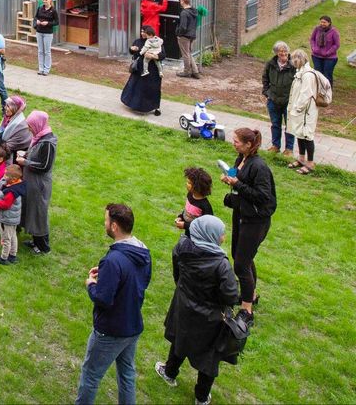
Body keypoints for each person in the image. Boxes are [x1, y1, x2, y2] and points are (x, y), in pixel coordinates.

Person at [154, 215, 242, 405]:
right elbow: (231, 296)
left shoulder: (181, 247)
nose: (223, 238)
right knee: (209, 357)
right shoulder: (222, 265)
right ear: (210, 235)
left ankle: (169, 373)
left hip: (184, 306)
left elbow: (177, 274)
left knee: (181, 339)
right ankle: (201, 398)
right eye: (221, 234)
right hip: (211, 318)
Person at [75, 203, 152, 405]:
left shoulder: (113, 260)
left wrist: (90, 284)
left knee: (90, 375)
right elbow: (137, 280)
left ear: (115, 226)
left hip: (111, 330)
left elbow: (103, 298)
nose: (105, 223)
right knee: (127, 374)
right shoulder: (143, 251)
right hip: (133, 325)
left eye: (106, 220)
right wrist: (108, 275)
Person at [219, 128, 276, 326]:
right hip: (242, 215)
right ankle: (250, 294)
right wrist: (230, 178)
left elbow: (263, 196)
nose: (233, 143)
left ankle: (247, 310)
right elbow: (237, 177)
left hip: (256, 220)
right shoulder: (241, 158)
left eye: (237, 141)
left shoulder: (259, 167)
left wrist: (237, 184)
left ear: (249, 144)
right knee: (240, 256)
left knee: (241, 264)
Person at [18, 111, 56, 254]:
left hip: (40, 185)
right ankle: (35, 241)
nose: (29, 129)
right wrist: (26, 154)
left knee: (39, 213)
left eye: (30, 126)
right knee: (32, 211)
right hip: (32, 183)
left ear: (38, 125)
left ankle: (43, 247)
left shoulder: (47, 143)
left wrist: (25, 161)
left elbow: (44, 166)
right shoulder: (39, 138)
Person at [120, 25, 166, 116]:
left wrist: (153, 56)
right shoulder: (138, 41)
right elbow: (133, 52)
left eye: (144, 32)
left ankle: (156, 107)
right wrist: (132, 49)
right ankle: (134, 104)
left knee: (153, 89)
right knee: (136, 87)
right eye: (141, 31)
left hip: (153, 71)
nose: (142, 33)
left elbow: (163, 55)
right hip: (139, 69)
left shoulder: (157, 42)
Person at [286, 48, 319, 175]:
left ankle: (310, 163)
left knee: (307, 135)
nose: (292, 62)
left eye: (294, 59)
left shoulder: (308, 75)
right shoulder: (300, 72)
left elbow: (306, 94)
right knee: (299, 133)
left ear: (299, 59)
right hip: (299, 111)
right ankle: (301, 158)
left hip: (306, 112)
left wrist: (297, 109)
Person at [261, 41, 296, 156]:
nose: (283, 54)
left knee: (289, 126)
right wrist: (266, 92)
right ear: (276, 53)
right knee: (275, 124)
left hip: (289, 101)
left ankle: (289, 149)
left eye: (285, 51)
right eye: (280, 52)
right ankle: (275, 146)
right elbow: (265, 78)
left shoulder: (294, 66)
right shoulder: (270, 64)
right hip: (273, 99)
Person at [0, 164, 24, 265]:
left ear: (13, 179)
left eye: (5, 175)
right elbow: (3, 194)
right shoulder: (17, 185)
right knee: (13, 236)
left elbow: (5, 205)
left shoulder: (11, 192)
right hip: (13, 219)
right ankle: (12, 256)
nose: (4, 177)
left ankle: (3, 258)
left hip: (7, 219)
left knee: (6, 239)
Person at [175, 167, 214, 234]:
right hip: (188, 233)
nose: (186, 184)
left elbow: (204, 226)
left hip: (198, 239)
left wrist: (185, 225)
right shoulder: (190, 195)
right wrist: (181, 217)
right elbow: (187, 211)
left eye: (189, 183)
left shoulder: (205, 206)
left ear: (198, 186)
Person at [0, 96, 32, 163]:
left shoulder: (21, 126)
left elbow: (8, 147)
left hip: (14, 160)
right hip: (2, 153)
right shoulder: (7, 118)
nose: (5, 108)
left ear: (16, 108)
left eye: (8, 106)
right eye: (6, 105)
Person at [175, 0, 201, 79]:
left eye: (180, 0)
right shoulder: (194, 11)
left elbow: (183, 26)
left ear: (183, 1)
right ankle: (195, 71)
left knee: (185, 54)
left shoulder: (184, 13)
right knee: (188, 53)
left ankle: (186, 71)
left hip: (184, 36)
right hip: (192, 35)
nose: (180, 2)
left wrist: (179, 34)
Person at [309, 15, 340, 85]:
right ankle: (318, 91)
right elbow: (312, 39)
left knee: (327, 75)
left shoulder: (334, 32)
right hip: (316, 56)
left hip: (330, 58)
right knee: (318, 74)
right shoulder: (317, 29)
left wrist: (328, 52)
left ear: (329, 23)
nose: (322, 24)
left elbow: (337, 45)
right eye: (321, 22)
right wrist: (314, 48)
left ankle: (327, 92)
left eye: (324, 22)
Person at [34, 0, 59, 76]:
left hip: (48, 33)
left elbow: (56, 22)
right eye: (43, 0)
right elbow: (36, 17)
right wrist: (37, 22)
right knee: (40, 51)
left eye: (46, 0)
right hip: (39, 32)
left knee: (47, 51)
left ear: (50, 0)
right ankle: (41, 69)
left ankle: (46, 69)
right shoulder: (40, 8)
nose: (44, 1)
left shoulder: (53, 10)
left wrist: (47, 23)